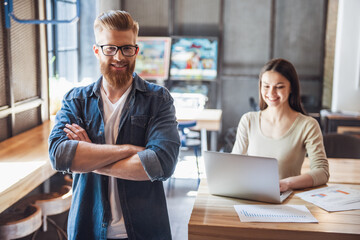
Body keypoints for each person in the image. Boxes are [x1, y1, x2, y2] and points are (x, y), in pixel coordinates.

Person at [48, 10, 180, 240]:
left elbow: (161, 164)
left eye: (126, 48)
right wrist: (129, 150)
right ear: (97, 51)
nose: (119, 57)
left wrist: (89, 158)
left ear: (136, 50)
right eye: (110, 48)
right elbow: (60, 156)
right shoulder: (76, 100)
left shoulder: (158, 99)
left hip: (144, 229)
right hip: (87, 227)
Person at [232, 58, 329, 192]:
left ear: (291, 88)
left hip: (287, 200)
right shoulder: (248, 120)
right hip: (250, 195)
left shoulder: (308, 125)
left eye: (279, 87)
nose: (271, 93)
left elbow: (322, 172)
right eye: (266, 86)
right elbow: (233, 165)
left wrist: (287, 183)